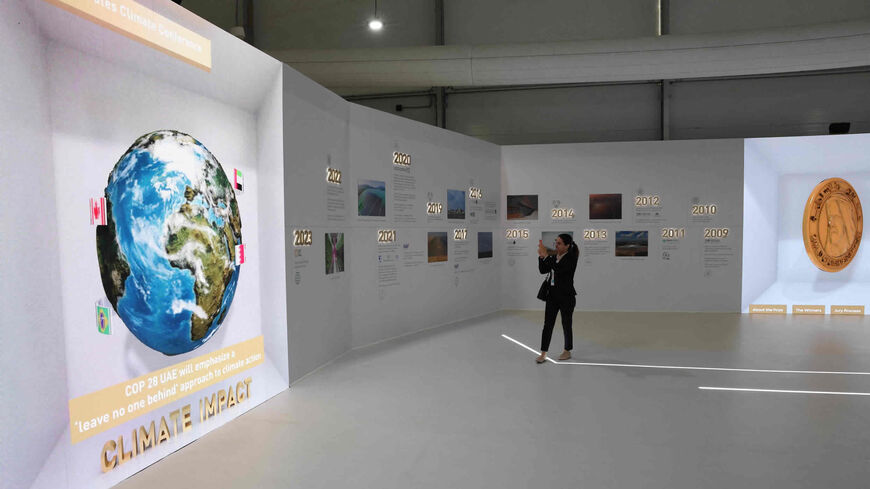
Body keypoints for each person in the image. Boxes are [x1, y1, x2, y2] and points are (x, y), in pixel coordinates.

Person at [535, 234, 579, 363]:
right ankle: (543, 353)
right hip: (552, 297)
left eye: (559, 243)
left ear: (567, 246)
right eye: (556, 242)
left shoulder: (571, 258)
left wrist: (547, 256)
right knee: (547, 325)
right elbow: (543, 270)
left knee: (566, 324)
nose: (556, 245)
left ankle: (567, 350)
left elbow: (559, 269)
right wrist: (541, 257)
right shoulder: (554, 257)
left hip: (566, 297)